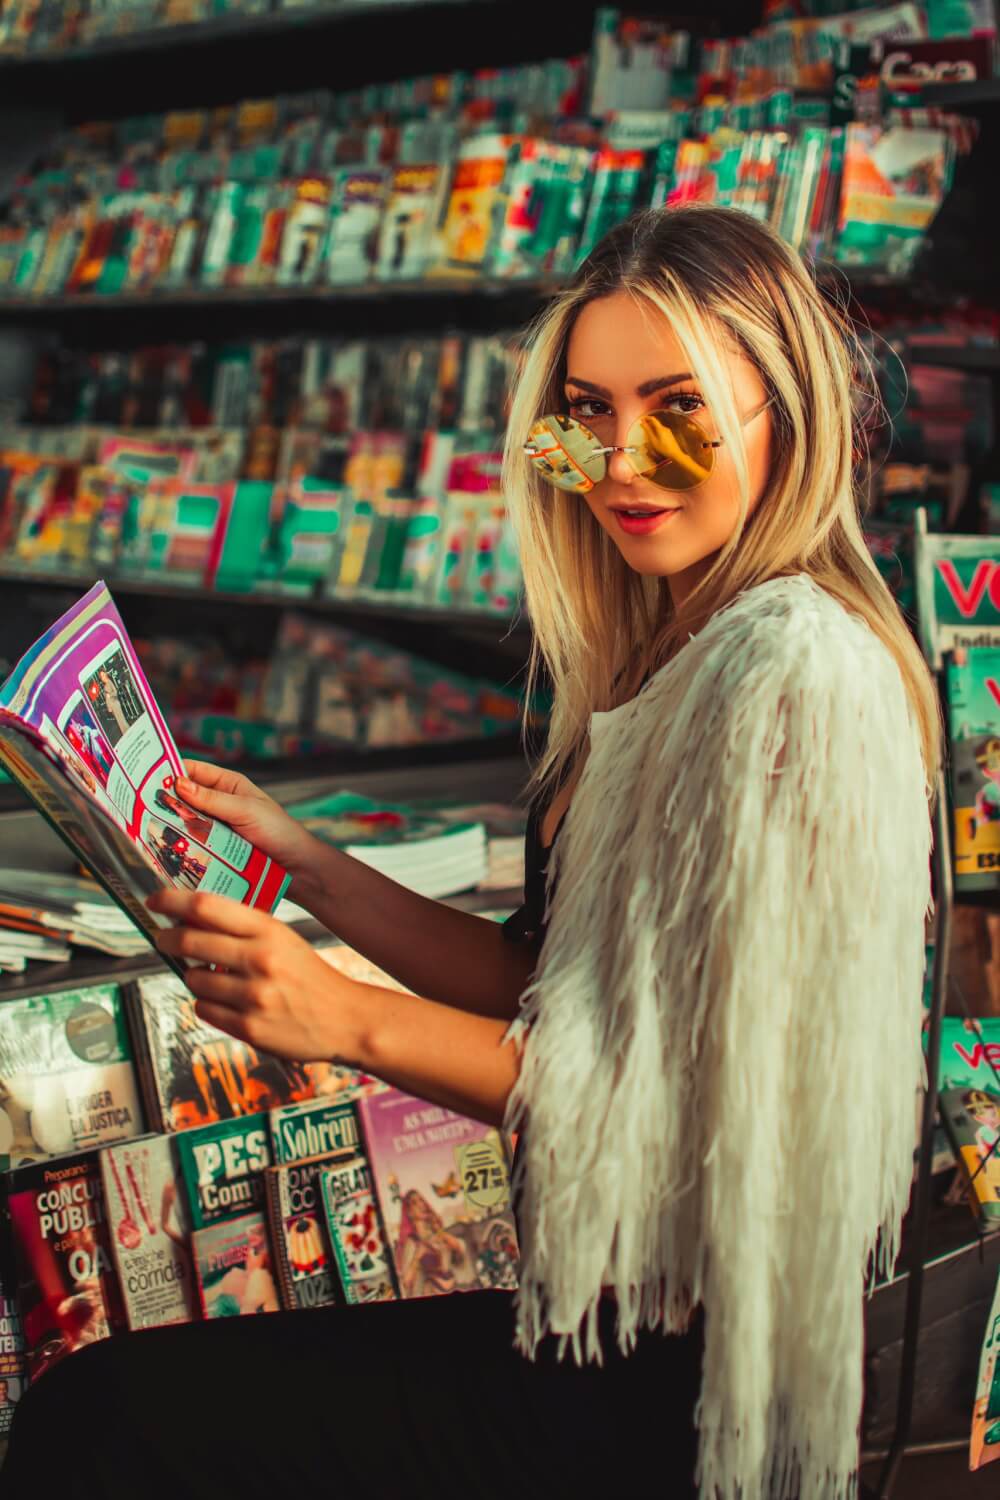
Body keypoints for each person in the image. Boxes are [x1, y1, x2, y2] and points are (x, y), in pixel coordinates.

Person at [2, 205, 941, 1500]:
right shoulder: (679, 644)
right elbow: (548, 987)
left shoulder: (794, 676)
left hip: (664, 1383)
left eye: (678, 408)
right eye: (585, 415)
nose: (621, 462)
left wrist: (347, 1021)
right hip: (581, 1319)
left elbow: (683, 1119)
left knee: (102, 1423)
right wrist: (311, 865)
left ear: (784, 411)